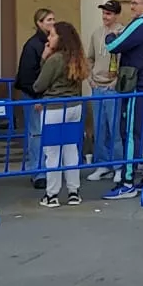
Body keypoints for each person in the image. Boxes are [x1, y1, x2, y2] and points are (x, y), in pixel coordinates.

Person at [101, 0, 143, 199]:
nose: (132, 7)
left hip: (139, 85)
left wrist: (111, 34)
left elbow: (113, 46)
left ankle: (127, 181)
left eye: (135, 3)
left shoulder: (141, 24)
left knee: (130, 134)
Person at [32, 21, 88, 206]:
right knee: (71, 149)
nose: (48, 38)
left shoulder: (55, 59)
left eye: (52, 35)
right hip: (74, 107)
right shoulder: (77, 57)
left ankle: (52, 194)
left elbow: (39, 85)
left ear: (61, 39)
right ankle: (74, 191)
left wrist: (44, 58)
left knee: (53, 152)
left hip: (54, 107)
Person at [13, 8, 54, 187]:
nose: (52, 23)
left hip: (45, 95)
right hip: (34, 95)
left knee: (44, 133)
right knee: (36, 134)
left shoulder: (51, 42)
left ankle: (47, 169)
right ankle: (37, 172)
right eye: (48, 20)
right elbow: (28, 74)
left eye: (53, 19)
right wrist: (37, 96)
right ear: (39, 23)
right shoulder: (33, 45)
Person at [87, 1, 126, 184]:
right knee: (99, 127)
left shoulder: (123, 33)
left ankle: (119, 165)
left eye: (109, 14)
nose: (105, 17)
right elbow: (90, 58)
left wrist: (116, 82)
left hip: (113, 88)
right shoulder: (96, 33)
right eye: (104, 13)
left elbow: (125, 62)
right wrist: (90, 78)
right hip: (97, 86)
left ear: (116, 15)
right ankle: (102, 164)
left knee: (115, 128)